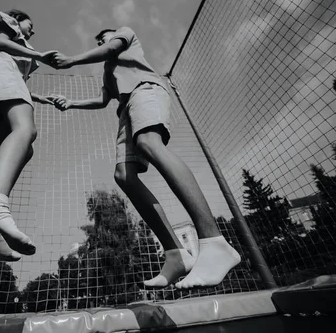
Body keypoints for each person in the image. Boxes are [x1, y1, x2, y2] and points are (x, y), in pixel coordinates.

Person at [48, 27, 240, 289]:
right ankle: (176, 254)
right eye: (100, 40)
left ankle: (214, 241)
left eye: (105, 37)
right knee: (124, 175)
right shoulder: (108, 71)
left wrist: (71, 60)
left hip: (146, 90)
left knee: (149, 142)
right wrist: (71, 103)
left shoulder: (125, 36)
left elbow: (112, 47)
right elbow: (103, 100)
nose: (103, 40)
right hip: (125, 110)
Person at [0, 8, 57, 262]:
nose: (33, 29)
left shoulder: (19, 50)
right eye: (31, 23)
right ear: (18, 19)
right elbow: (2, 43)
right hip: (1, 81)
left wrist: (40, 98)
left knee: (25, 147)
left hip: (0, 84)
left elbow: (17, 77)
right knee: (26, 130)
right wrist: (39, 54)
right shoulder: (9, 26)